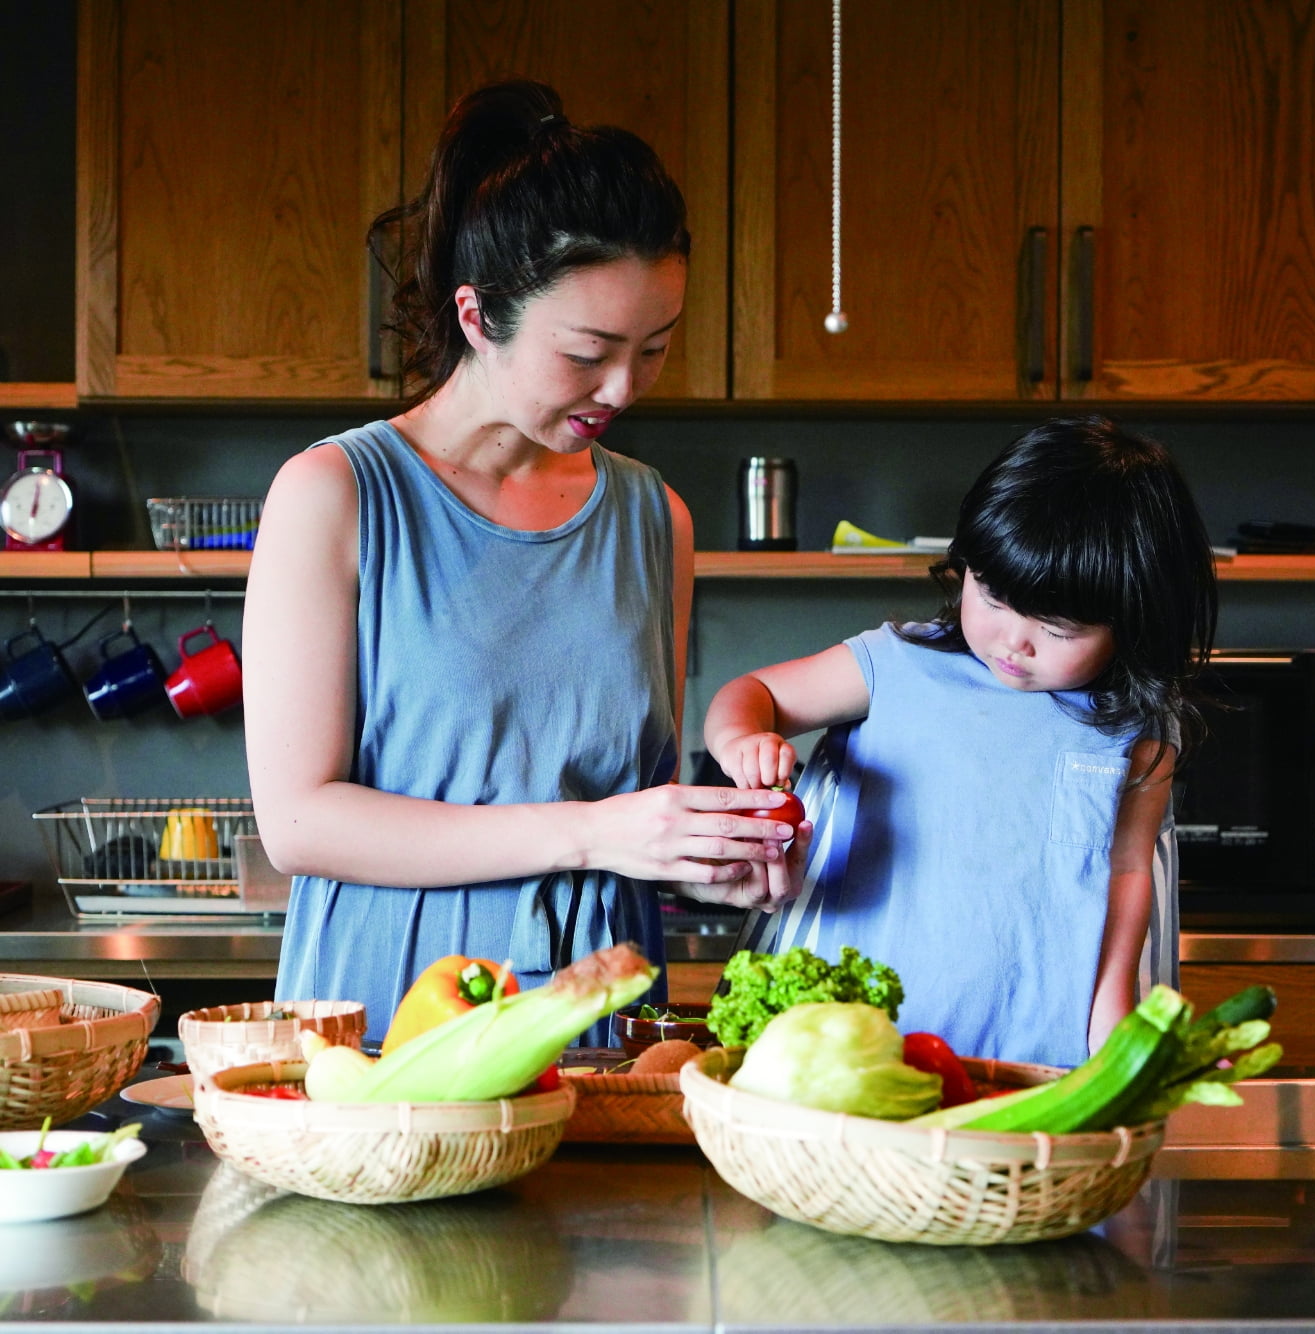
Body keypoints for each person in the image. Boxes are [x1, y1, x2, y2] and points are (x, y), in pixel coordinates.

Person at [242, 80, 798, 1047]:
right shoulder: (334, 494)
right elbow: (298, 824)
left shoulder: (654, 518)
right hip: (397, 1011)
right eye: (588, 352)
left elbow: (634, 799)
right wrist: (593, 833)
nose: (621, 387)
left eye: (654, 349)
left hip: (605, 1014)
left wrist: (708, 858)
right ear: (476, 315)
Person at [704, 416, 1218, 1068]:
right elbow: (754, 692)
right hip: (850, 1044)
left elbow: (1127, 873)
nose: (1014, 641)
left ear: (1135, 617)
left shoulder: (1136, 725)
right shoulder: (896, 663)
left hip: (1032, 1050)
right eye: (993, 597)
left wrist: (1115, 1023)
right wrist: (742, 739)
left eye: (1058, 629)